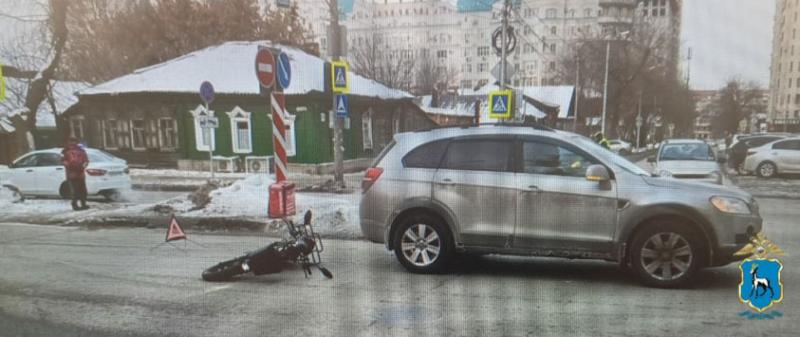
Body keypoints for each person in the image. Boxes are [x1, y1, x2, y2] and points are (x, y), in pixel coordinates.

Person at [62, 137, 89, 210]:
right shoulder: (66, 151)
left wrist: (83, 166)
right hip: (72, 173)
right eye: (71, 141)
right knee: (75, 190)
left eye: (74, 141)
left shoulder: (81, 151)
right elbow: (63, 161)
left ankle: (83, 203)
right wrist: (69, 166)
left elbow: (86, 160)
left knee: (83, 190)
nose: (73, 143)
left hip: (80, 173)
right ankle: (75, 204)